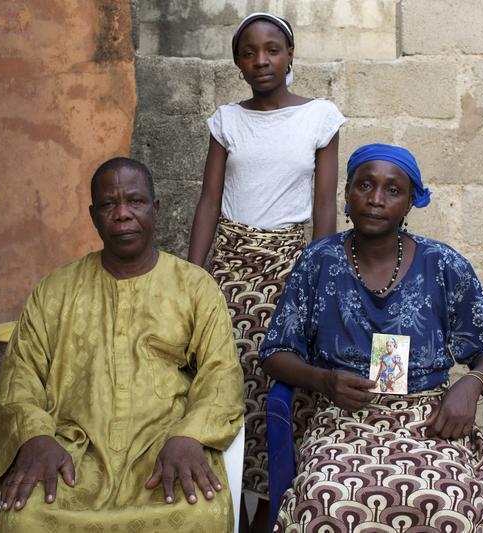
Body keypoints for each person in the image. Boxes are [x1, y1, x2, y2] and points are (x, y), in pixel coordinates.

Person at [260, 144, 483, 531]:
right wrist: (323, 380)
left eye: (393, 190)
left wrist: (471, 384)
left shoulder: (443, 264)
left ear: (411, 201)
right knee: (326, 498)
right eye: (365, 185)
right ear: (347, 193)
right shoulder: (318, 261)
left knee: (448, 498)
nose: (376, 200)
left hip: (429, 418)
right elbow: (275, 351)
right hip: (341, 419)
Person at [0, 157, 245, 532]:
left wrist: (190, 435)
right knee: (24, 519)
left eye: (135, 202)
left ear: (155, 209)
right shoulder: (54, 291)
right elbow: (18, 376)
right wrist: (35, 436)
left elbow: (222, 374)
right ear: (93, 215)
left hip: (162, 450)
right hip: (73, 454)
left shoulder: (195, 287)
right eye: (109, 204)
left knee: (201, 514)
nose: (122, 214)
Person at [187, 11, 345, 532]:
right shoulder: (227, 121)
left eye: (272, 49)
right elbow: (210, 200)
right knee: (223, 378)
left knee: (277, 377)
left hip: (287, 264)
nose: (261, 60)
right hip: (230, 267)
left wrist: (317, 278)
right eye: (249, 52)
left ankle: (270, 499)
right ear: (237, 63)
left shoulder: (320, 117)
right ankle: (228, 498)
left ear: (290, 54)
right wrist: (190, 277)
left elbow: (325, 207)